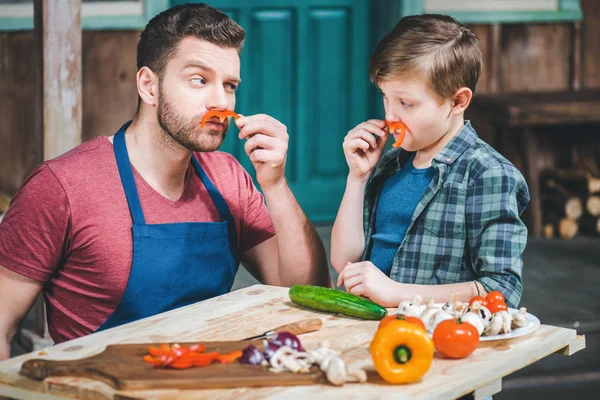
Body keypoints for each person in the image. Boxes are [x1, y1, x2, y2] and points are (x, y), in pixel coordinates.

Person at [0, 3, 329, 360]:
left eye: (229, 84)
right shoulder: (60, 187)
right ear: (149, 86)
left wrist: (276, 184)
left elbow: (305, 292)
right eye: (199, 80)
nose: (221, 101)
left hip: (207, 378)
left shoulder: (228, 177)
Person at [331, 14, 529, 309]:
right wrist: (357, 179)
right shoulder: (390, 166)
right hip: (372, 331)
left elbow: (501, 289)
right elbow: (344, 264)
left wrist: (397, 293)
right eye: (386, 97)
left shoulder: (488, 174)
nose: (391, 116)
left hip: (440, 339)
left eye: (406, 103)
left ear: (458, 101)